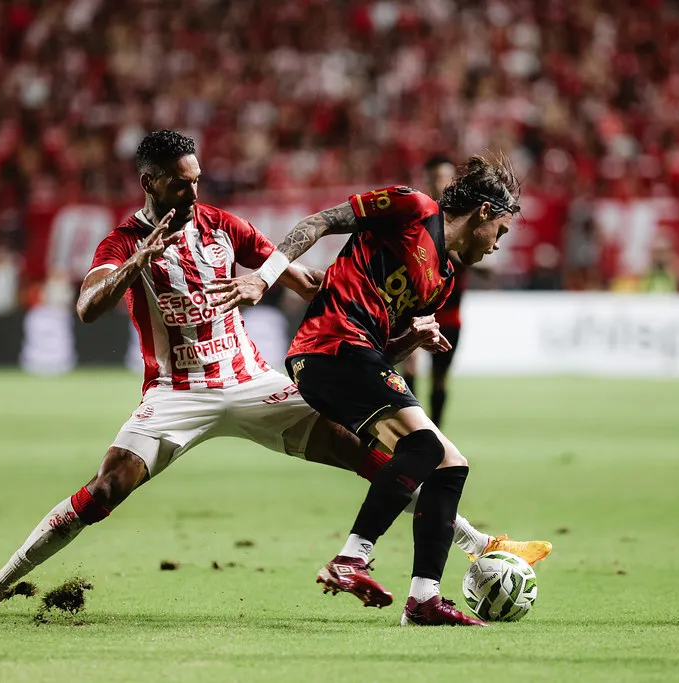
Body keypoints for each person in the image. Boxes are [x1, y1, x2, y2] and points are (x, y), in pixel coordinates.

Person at [0, 131, 549, 618]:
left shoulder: (220, 226)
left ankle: (481, 545)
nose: (192, 192)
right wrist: (137, 262)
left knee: (376, 453)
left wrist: (297, 280)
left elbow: (290, 268)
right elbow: (88, 307)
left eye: (197, 181)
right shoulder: (120, 241)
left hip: (253, 383)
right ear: (150, 182)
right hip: (175, 394)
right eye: (181, 184)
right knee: (105, 490)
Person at [208, 153, 538, 626]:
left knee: (450, 464)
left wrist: (412, 339)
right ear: (484, 212)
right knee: (423, 444)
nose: (497, 245)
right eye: (501, 232)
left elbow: (381, 354)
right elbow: (320, 221)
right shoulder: (412, 207)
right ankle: (350, 560)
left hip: (355, 356)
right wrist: (264, 276)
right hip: (326, 346)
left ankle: (423, 598)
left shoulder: (442, 280)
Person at [401, 155, 485, 428]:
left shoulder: (466, 219)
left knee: (440, 378)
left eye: (447, 178)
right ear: (427, 180)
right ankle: (410, 432)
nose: (442, 184)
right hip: (415, 310)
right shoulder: (418, 214)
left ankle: (435, 434)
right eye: (437, 178)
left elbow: (480, 259)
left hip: (450, 314)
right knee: (410, 365)